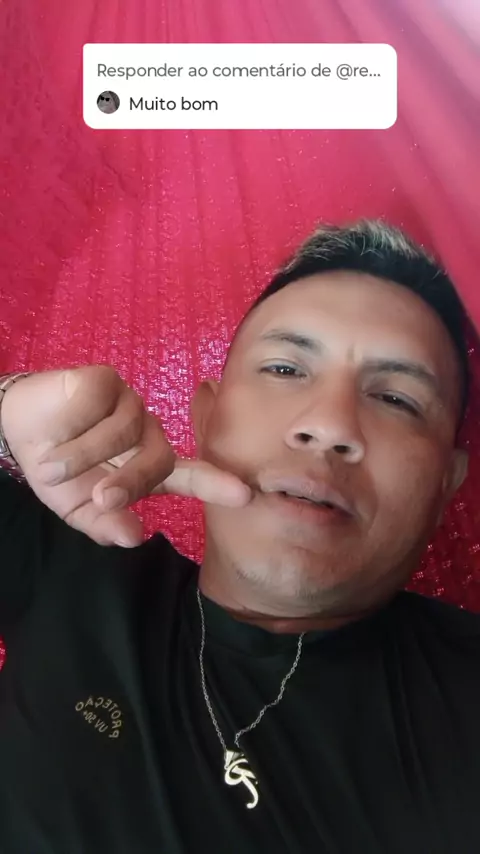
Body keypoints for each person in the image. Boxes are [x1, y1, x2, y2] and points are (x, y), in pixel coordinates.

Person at [0, 218, 479, 854]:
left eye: (397, 399)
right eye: (285, 367)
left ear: (447, 482)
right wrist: (4, 414)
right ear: (205, 418)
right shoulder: (74, 574)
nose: (329, 425)